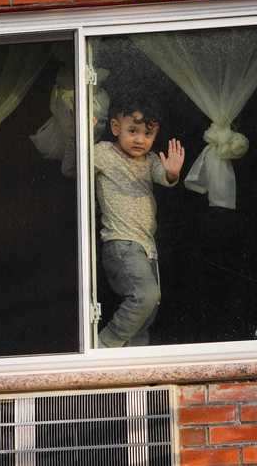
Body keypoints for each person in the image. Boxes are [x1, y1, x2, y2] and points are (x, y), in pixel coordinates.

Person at [94, 103, 185, 348]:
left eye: (147, 134)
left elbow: (164, 177)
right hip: (121, 241)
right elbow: (73, 168)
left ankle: (134, 370)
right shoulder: (103, 152)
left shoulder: (150, 159)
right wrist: (84, 137)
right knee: (146, 297)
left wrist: (172, 173)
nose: (139, 139)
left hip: (147, 247)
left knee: (148, 313)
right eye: (132, 130)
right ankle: (104, 346)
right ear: (115, 127)